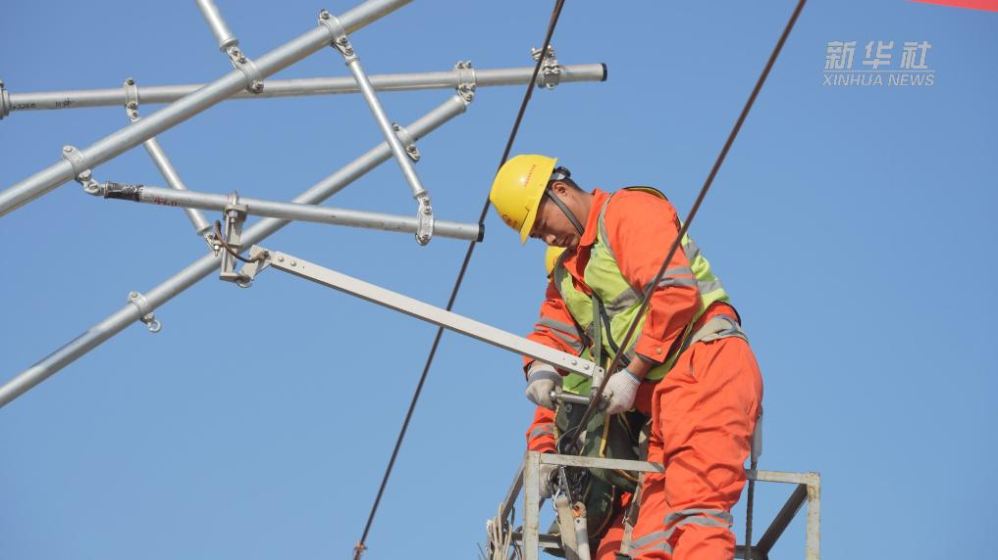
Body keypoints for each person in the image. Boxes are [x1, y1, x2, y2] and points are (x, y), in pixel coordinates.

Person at [492, 155, 763, 559]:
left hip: (705, 366)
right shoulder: (572, 270)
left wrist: (633, 373)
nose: (547, 239)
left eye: (543, 225)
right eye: (536, 236)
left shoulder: (628, 212)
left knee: (697, 512)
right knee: (650, 536)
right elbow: (551, 331)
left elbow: (675, 294)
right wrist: (539, 367)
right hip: (663, 399)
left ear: (561, 191)